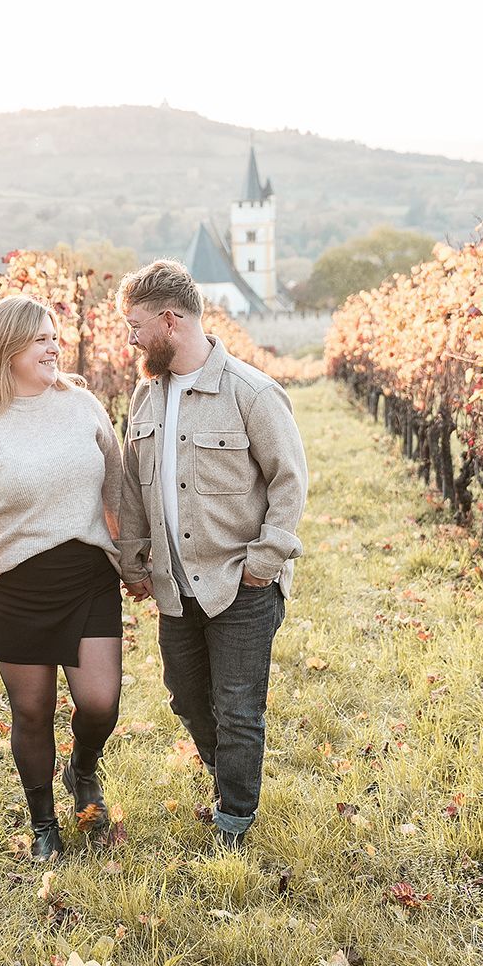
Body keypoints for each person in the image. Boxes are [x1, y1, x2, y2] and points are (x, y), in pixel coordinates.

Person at [115, 260, 307, 850]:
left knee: (238, 706)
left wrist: (263, 564)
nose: (131, 339)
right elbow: (132, 488)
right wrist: (133, 561)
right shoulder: (145, 397)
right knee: (187, 697)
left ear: (170, 321)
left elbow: (290, 483)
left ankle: (234, 821)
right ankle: (227, 781)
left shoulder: (252, 392)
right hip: (174, 585)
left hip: (239, 582)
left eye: (137, 326)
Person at [0, 295, 126, 861]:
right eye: (40, 339)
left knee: (100, 702)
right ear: (7, 349)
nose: (53, 347)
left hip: (87, 574)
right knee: (33, 711)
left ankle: (82, 769)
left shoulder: (82, 405)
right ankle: (44, 824)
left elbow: (117, 489)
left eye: (53, 337)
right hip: (13, 585)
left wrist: (134, 560)